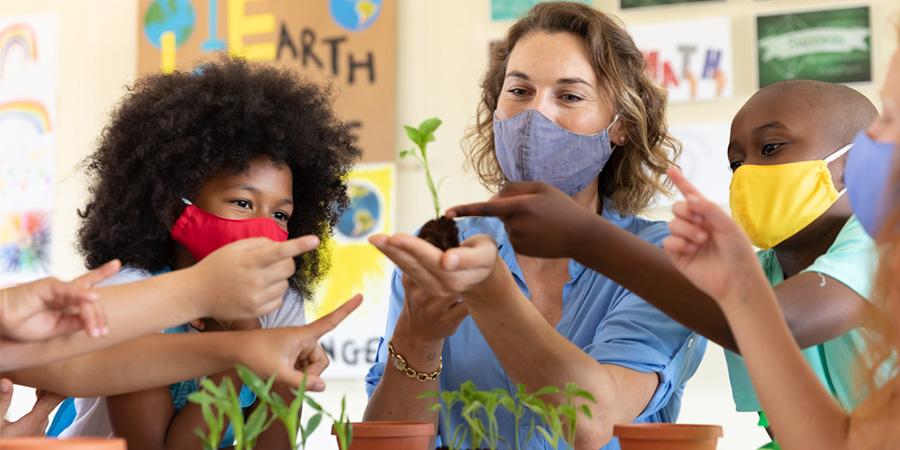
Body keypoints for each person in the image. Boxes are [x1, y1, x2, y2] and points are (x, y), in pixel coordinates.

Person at [451, 78, 881, 442]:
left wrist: (588, 240)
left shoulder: (881, 241)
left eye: (771, 148)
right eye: (736, 164)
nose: (749, 173)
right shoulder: (758, 274)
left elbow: (775, 326)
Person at [364, 3, 705, 449]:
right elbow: (386, 444)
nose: (535, 114)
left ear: (620, 125)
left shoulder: (663, 260)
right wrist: (418, 337)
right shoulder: (438, 258)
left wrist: (490, 291)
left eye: (570, 96)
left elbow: (591, 420)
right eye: (520, 91)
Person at [48, 56, 359, 450]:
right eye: (243, 203)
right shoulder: (131, 298)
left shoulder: (280, 306)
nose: (264, 226)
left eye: (280, 214)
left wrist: (270, 354)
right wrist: (243, 340)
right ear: (174, 205)